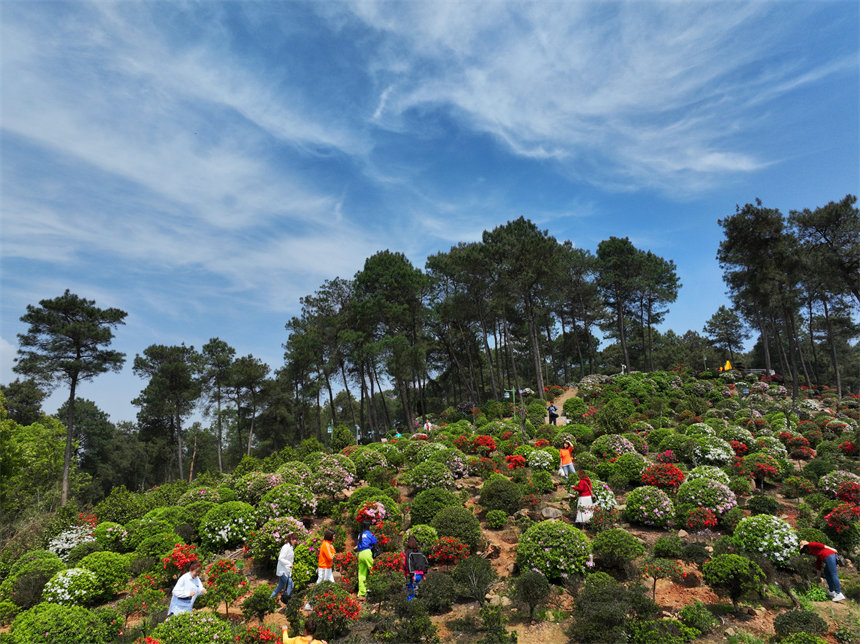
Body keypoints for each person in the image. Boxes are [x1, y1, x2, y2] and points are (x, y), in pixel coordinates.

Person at [304, 530, 336, 610]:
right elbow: (330, 557)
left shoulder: (327, 544)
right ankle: (309, 604)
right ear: (330, 536)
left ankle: (333, 602)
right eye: (334, 536)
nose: (335, 537)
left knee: (331, 584)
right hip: (324, 568)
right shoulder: (326, 545)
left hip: (327, 568)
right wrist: (334, 553)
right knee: (320, 585)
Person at [270, 532, 298, 600]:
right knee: (291, 585)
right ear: (291, 539)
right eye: (294, 539)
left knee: (280, 586)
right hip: (282, 571)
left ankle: (270, 600)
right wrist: (289, 564)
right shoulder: (286, 547)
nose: (296, 541)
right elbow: (280, 558)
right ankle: (287, 601)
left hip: (286, 571)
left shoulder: (290, 547)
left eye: (296, 539)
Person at [403, 535, 428, 600]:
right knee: (415, 588)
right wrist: (424, 573)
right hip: (419, 575)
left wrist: (411, 575)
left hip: (410, 575)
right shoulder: (420, 552)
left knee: (409, 588)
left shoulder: (408, 552)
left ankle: (411, 605)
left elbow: (408, 564)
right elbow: (425, 562)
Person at [356, 521, 377, 598]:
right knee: (373, 570)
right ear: (368, 526)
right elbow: (375, 541)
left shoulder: (360, 534)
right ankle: (373, 588)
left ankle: (362, 592)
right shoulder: (368, 533)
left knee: (361, 573)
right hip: (367, 552)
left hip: (360, 554)